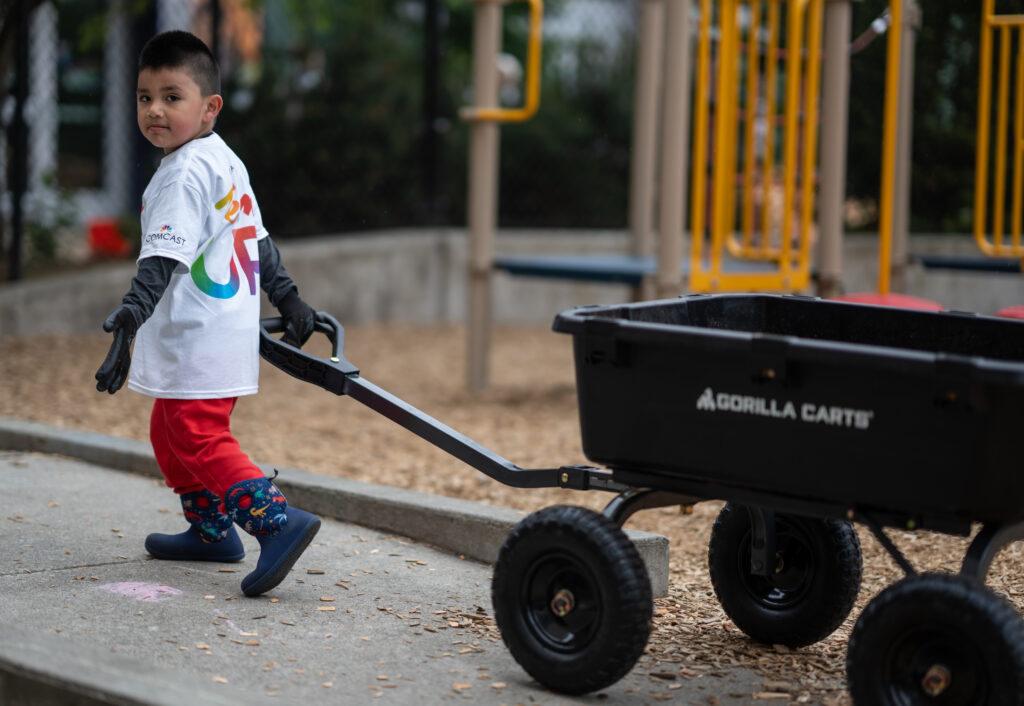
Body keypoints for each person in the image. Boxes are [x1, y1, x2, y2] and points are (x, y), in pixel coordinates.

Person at [95, 30, 320, 598]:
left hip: (200, 334)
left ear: (209, 106)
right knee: (170, 432)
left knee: (196, 432)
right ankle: (211, 531)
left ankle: (276, 522)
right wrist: (287, 296)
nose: (155, 110)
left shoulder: (184, 173)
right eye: (145, 97)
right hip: (217, 331)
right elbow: (257, 237)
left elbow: (161, 258)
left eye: (173, 96)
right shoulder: (222, 159)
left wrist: (130, 314)